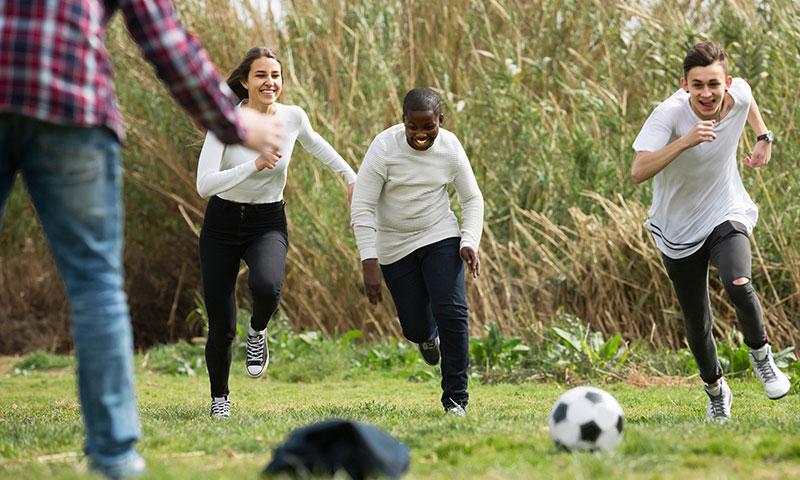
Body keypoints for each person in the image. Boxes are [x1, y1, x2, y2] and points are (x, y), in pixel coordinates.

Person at [0, 1, 282, 478]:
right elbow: (161, 34)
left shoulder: (293, 117)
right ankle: (114, 458)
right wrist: (233, 123)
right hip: (73, 104)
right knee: (95, 287)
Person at [631, 41, 790, 422]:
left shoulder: (739, 91)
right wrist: (685, 141)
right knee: (697, 320)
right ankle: (716, 390)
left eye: (714, 84)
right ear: (684, 84)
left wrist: (763, 136)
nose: (707, 93)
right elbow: (638, 171)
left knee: (738, 283)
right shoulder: (668, 115)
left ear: (726, 82)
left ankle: (763, 359)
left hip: (725, 209)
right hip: (677, 227)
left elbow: (749, 99)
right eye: (698, 85)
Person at [196, 46, 356, 418]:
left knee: (268, 287)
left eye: (275, 76)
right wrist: (253, 165)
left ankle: (258, 332)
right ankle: (220, 398)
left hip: (267, 221)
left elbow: (318, 145)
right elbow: (204, 184)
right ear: (244, 82)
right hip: (220, 224)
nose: (270, 82)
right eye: (261, 75)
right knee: (221, 325)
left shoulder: (292, 118)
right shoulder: (227, 124)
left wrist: (351, 177)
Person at [350, 87, 484, 416]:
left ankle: (456, 399)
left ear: (441, 121)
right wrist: (369, 260)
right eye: (413, 127)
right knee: (414, 327)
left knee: (453, 314)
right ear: (403, 121)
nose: (421, 134)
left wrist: (468, 241)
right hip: (394, 244)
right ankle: (426, 337)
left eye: (429, 127)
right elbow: (362, 205)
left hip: (440, 234)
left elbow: (472, 199)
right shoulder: (383, 148)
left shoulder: (451, 148)